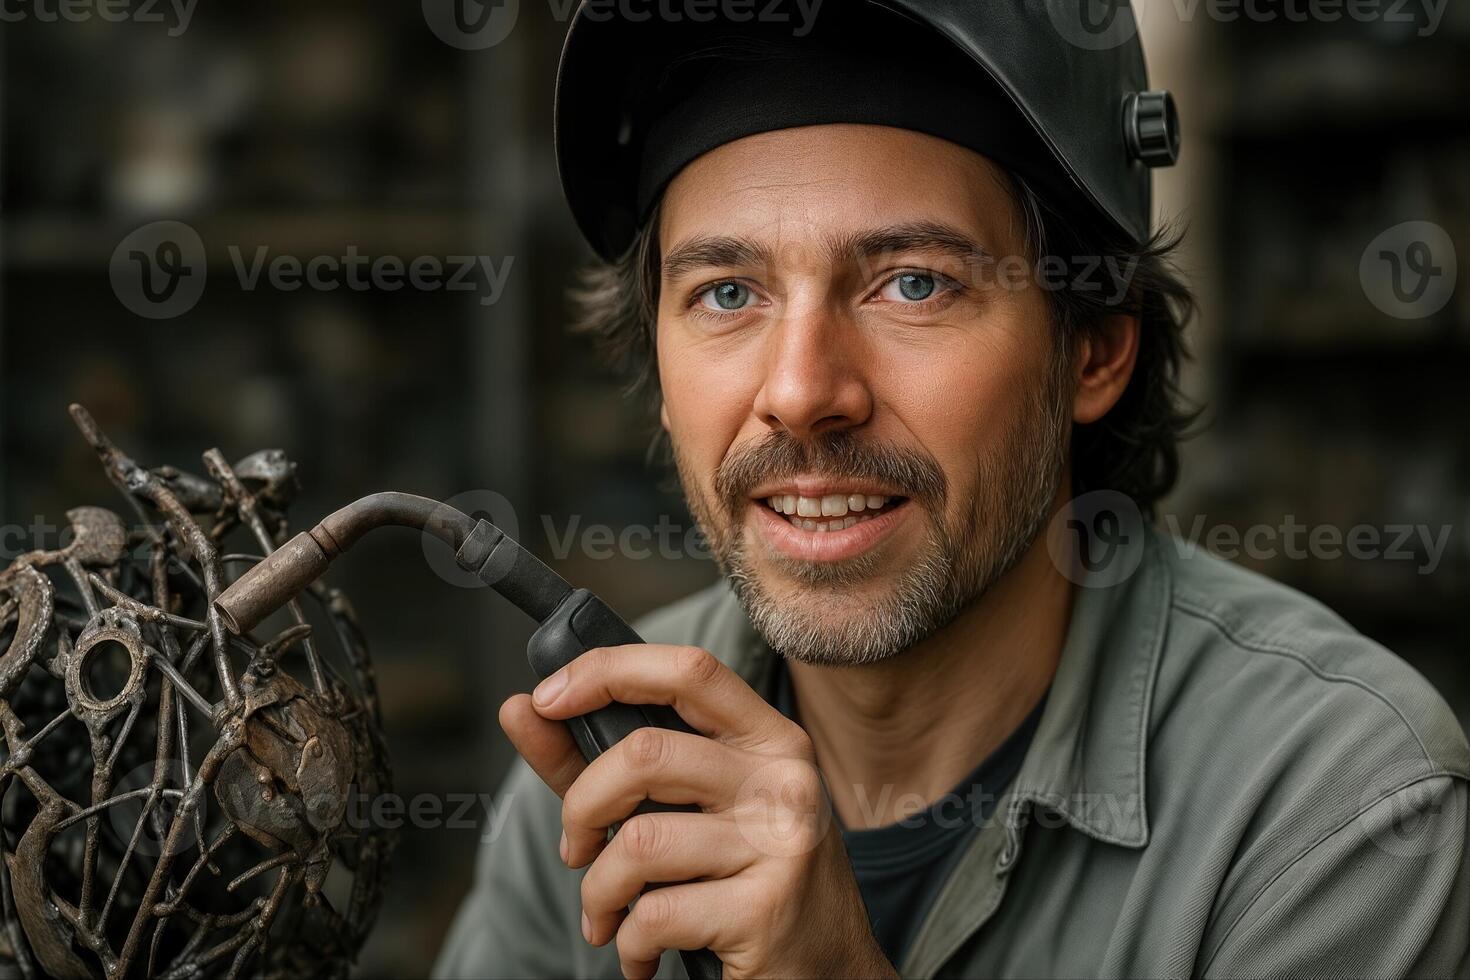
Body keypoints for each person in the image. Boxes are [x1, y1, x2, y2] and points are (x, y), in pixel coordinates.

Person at [435, 2, 1470, 977]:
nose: (800, 393)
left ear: (1096, 350)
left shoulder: (1340, 805)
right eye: (729, 292)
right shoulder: (602, 785)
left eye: (914, 282)